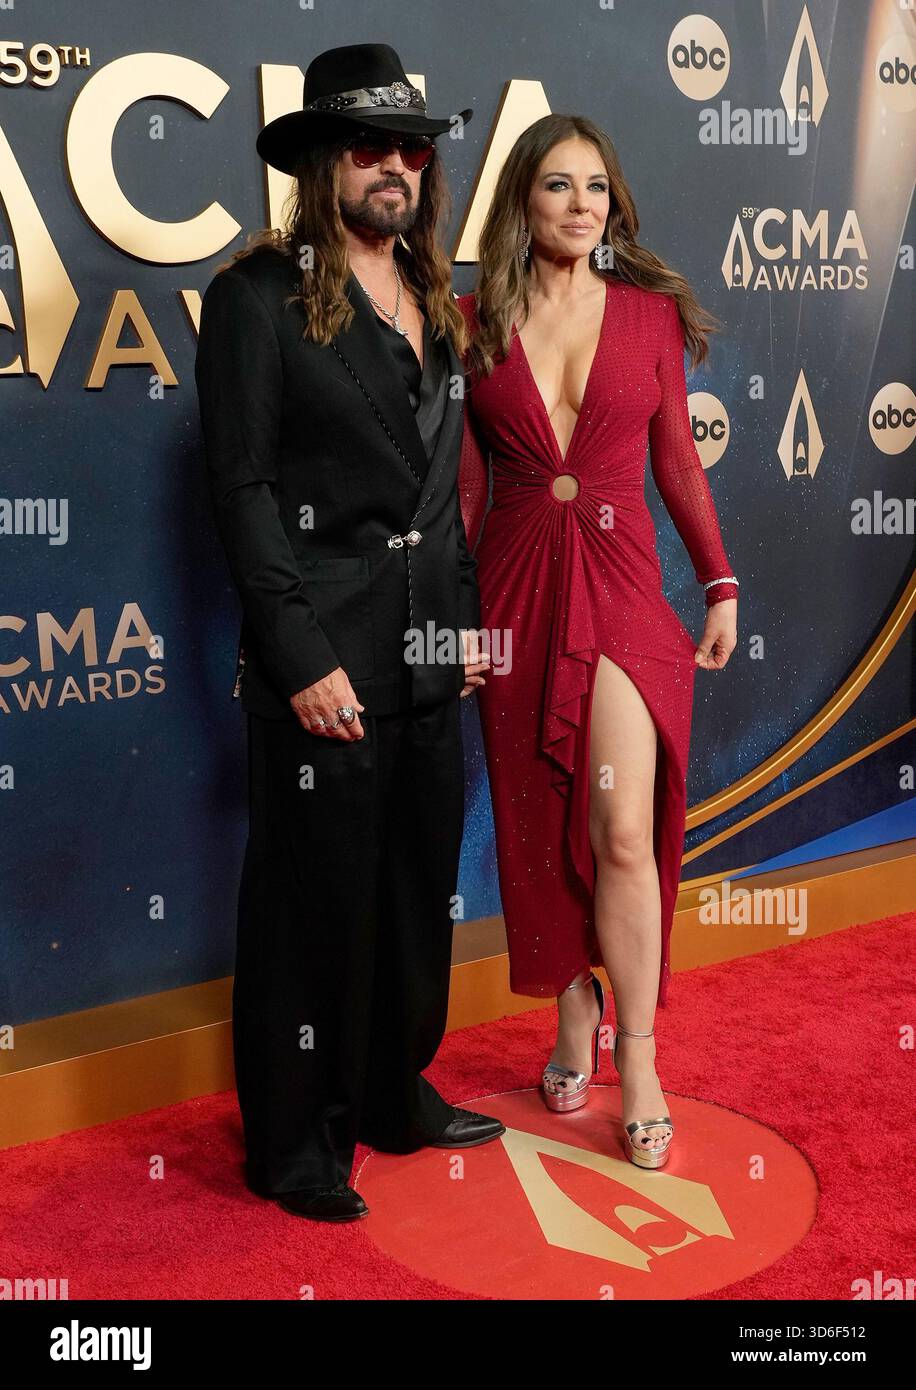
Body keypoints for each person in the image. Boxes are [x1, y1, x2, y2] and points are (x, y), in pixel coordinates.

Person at [195, 43, 503, 1224]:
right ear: (323, 166)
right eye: (367, 148)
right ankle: (294, 1141)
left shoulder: (435, 297)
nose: (392, 168)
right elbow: (241, 491)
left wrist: (465, 625)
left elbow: (444, 489)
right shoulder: (254, 297)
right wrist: (299, 654)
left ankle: (390, 1089)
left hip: (430, 652)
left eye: (410, 152)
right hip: (322, 657)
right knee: (309, 902)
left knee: (418, 885)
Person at [457, 114, 738, 1170]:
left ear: (612, 203)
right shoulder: (471, 315)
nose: (581, 205)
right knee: (537, 827)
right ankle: (570, 1014)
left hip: (621, 589)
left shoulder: (648, 314)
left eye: (595, 188)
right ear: (522, 203)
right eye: (557, 187)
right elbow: (467, 491)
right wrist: (450, 624)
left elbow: (678, 463)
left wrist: (718, 582)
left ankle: (641, 1053)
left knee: (622, 827)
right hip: (514, 589)